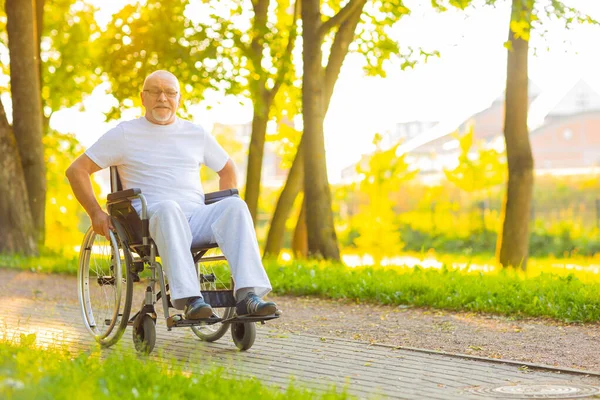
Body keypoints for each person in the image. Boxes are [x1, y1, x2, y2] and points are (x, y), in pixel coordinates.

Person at [66, 70, 277, 320]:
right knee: (168, 207)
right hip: (149, 221)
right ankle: (191, 299)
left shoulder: (195, 133)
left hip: (196, 218)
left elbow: (227, 169)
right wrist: (95, 213)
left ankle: (248, 296)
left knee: (235, 206)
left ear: (178, 99)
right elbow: (76, 170)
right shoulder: (124, 133)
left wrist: (220, 210)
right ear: (142, 98)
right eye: (155, 91)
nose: (162, 98)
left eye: (169, 92)